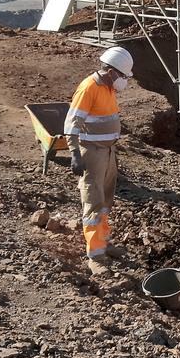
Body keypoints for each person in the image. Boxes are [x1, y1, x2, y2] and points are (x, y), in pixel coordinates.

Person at [65, 47, 134, 275]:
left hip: (108, 151)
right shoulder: (89, 88)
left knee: (105, 199)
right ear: (112, 72)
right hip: (92, 152)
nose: (124, 81)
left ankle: (103, 242)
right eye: (123, 76)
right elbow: (72, 124)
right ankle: (95, 256)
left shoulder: (108, 87)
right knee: (93, 201)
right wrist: (75, 154)